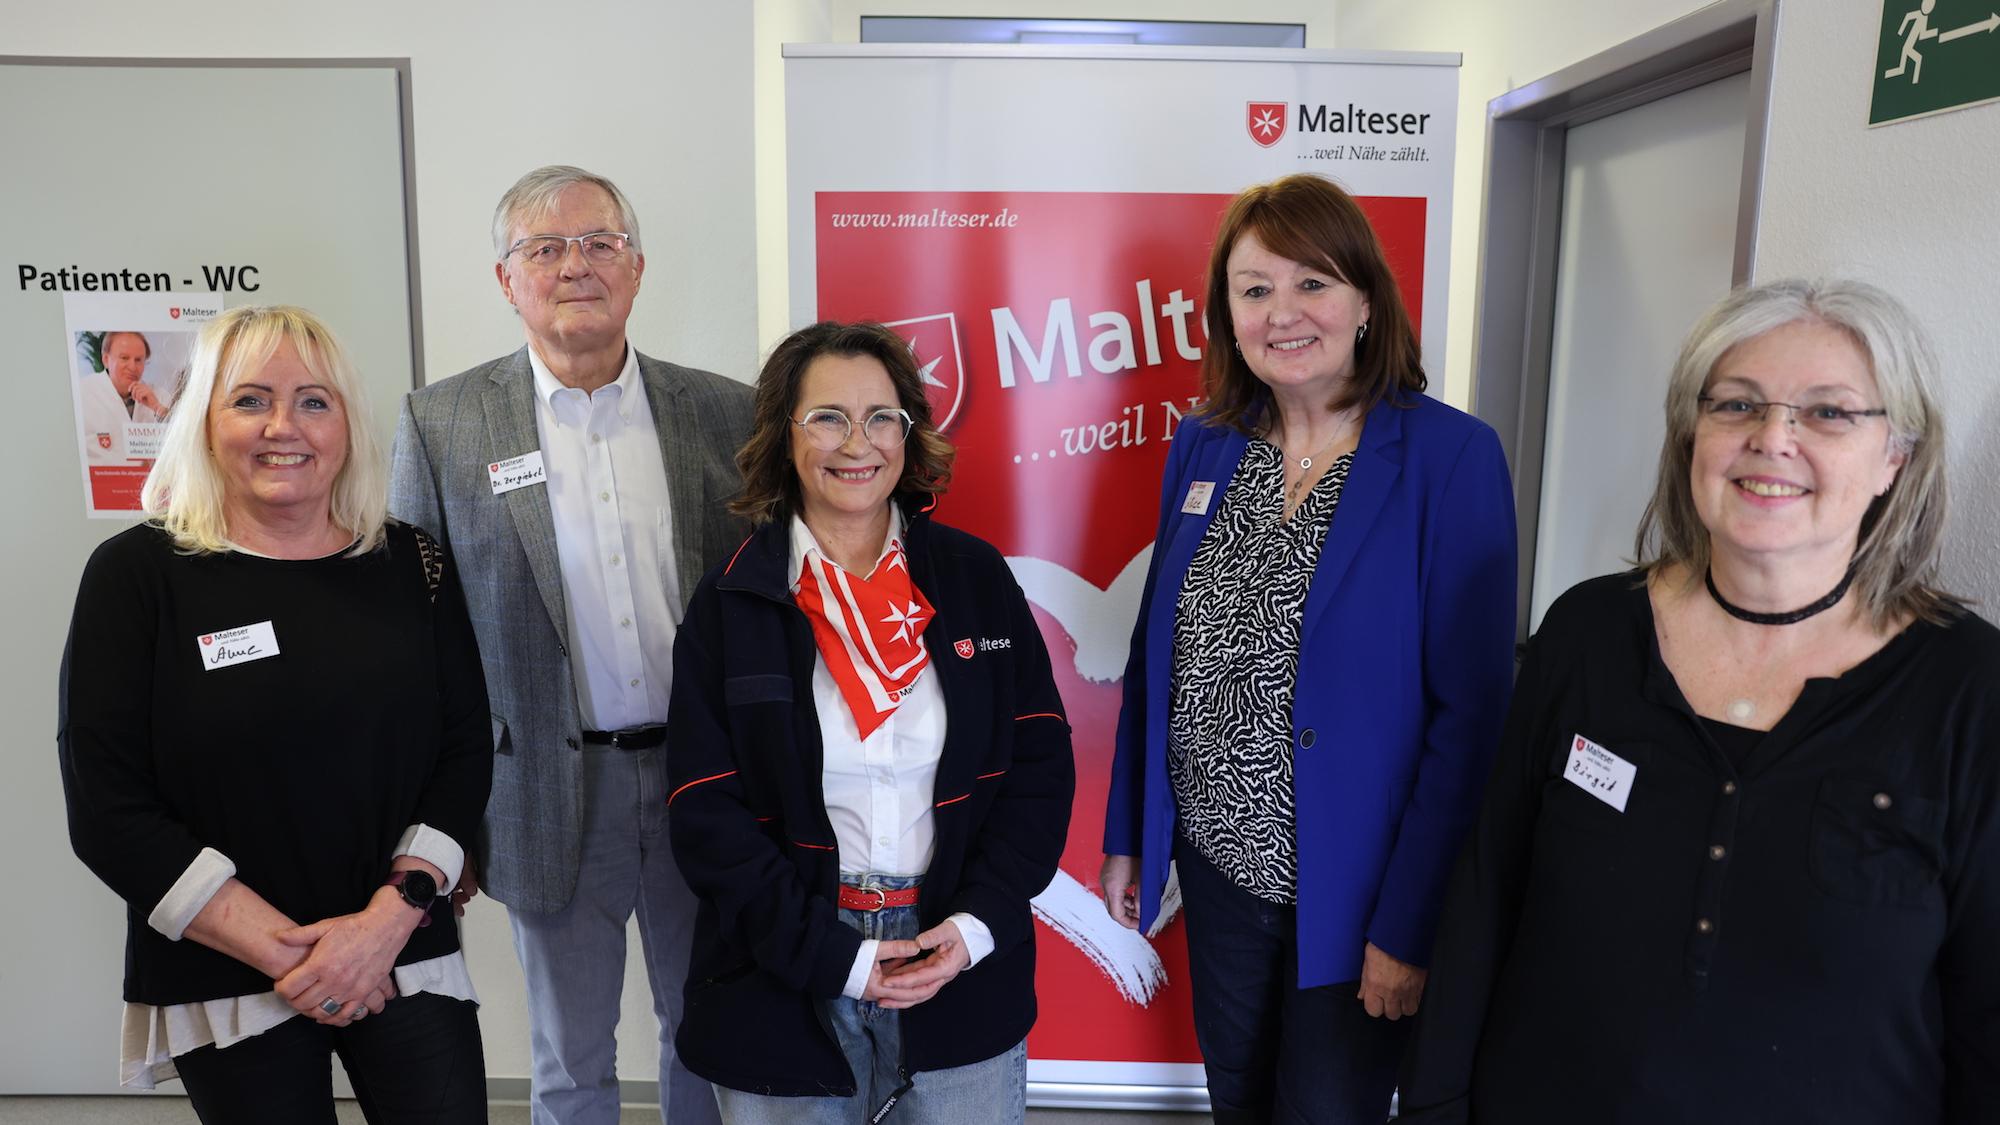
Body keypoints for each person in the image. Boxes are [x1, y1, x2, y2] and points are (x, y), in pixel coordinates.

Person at [1399, 279, 2000, 1123]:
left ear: (1894, 456)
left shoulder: (1968, 689)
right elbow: (1486, 896)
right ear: (1693, 434)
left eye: (1828, 413)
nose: (1772, 439)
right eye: (1737, 405)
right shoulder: (1587, 632)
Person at [1098, 173, 1518, 1123]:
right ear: (1227, 315)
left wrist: (1408, 928)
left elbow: (1473, 723)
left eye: (1311, 283)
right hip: (1217, 865)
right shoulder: (1206, 444)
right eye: (1254, 290)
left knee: (1326, 1110)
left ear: (1366, 299)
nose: (1283, 313)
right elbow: (1151, 655)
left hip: (1359, 893)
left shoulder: (1452, 459)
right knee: (1238, 1097)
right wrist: (1131, 833)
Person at [58, 305, 492, 1123]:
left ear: (347, 424)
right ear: (204, 420)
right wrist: (294, 954)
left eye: (313, 401)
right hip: (223, 963)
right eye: (250, 399)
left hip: (398, 944)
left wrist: (375, 933)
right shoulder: (136, 575)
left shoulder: (411, 562)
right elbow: (106, 803)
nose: (283, 426)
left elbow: (464, 751)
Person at [389, 164, 752, 1125]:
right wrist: (438, 817)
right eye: (543, 247)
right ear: (506, 280)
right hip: (544, 792)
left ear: (637, 269)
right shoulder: (443, 422)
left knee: (706, 1035)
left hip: (704, 779)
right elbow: (416, 638)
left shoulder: (727, 412)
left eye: (599, 242)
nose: (574, 265)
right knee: (569, 1058)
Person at [665, 321, 1075, 1123]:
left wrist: (973, 925)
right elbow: (705, 812)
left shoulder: (973, 577)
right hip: (783, 962)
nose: (858, 443)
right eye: (827, 417)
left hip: (955, 952)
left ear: (910, 434)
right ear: (783, 437)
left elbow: (1039, 766)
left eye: (881, 417)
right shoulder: (731, 600)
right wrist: (835, 957)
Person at [79, 329, 169, 463]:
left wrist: (157, 407)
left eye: (138, 360)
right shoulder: (83, 392)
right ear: (106, 360)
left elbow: (182, 444)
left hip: (149, 482)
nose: (132, 367)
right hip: (103, 481)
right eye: (124, 358)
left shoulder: (159, 396)